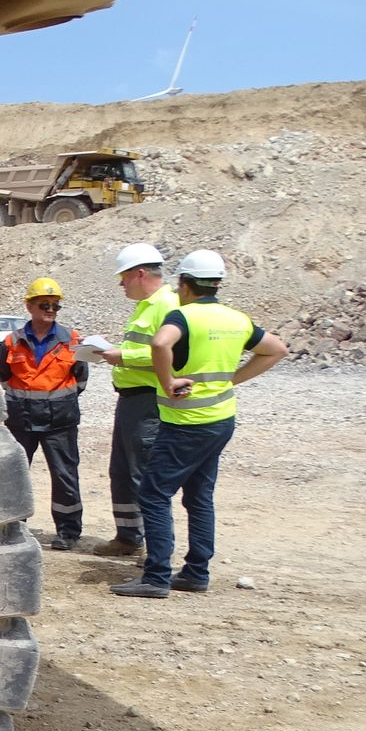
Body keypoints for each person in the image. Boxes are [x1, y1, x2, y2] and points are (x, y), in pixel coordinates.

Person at [111, 250, 288, 598]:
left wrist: (167, 382)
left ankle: (157, 576)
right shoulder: (236, 318)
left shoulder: (184, 316)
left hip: (185, 421)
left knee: (154, 493)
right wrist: (233, 379)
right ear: (216, 284)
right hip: (221, 419)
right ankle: (196, 572)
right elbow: (276, 349)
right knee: (200, 496)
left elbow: (161, 344)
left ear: (184, 284)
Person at [91, 243, 179, 556]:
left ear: (140, 274)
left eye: (124, 277)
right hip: (131, 401)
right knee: (123, 470)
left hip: (149, 401)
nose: (121, 284)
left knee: (143, 473)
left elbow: (167, 352)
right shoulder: (146, 306)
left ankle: (155, 549)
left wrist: (123, 356)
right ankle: (128, 537)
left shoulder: (168, 306)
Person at [0, 277, 88, 550]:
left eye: (55, 306)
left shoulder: (71, 340)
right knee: (16, 473)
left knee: (65, 475)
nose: (50, 310)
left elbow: (80, 379)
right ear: (29, 306)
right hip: (22, 419)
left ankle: (68, 531)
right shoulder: (12, 342)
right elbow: (4, 376)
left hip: (60, 421)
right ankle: (13, 526)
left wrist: (56, 401)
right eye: (44, 304)